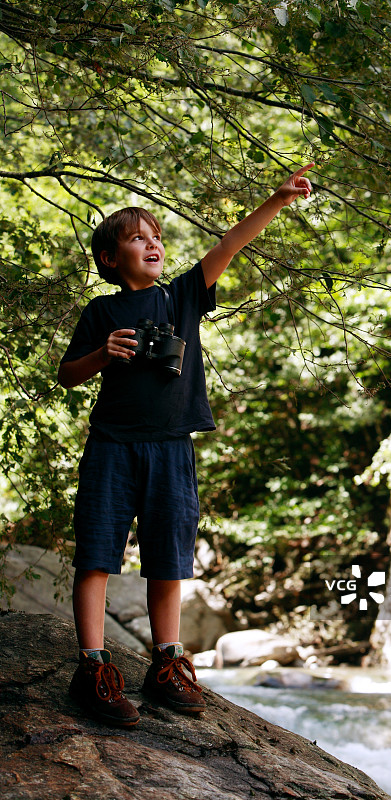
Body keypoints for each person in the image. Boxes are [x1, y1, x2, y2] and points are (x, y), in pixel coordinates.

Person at [58, 163, 313, 728]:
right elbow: (67, 374)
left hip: (171, 447)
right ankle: (93, 668)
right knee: (97, 554)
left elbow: (230, 244)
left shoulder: (180, 299)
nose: (152, 244)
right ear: (109, 259)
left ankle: (167, 662)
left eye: (156, 237)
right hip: (111, 446)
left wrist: (276, 199)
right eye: (137, 238)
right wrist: (104, 354)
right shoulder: (101, 311)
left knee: (168, 559)